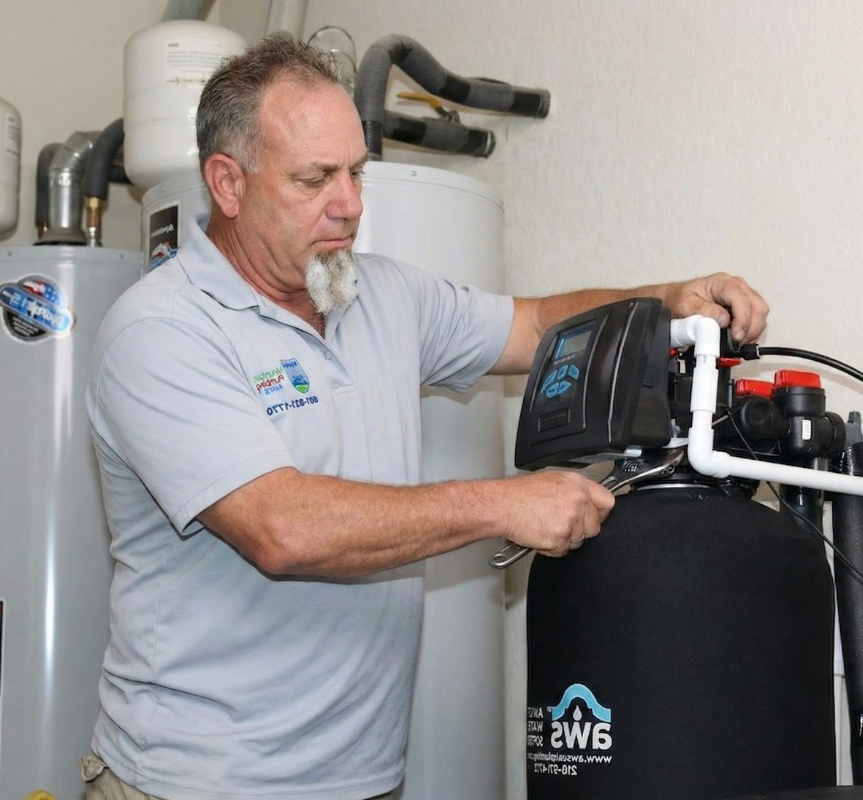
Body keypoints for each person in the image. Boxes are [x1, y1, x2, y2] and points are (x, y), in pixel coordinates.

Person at [80, 33, 769, 800]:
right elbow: (282, 527)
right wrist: (500, 501)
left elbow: (537, 327)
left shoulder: (379, 295)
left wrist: (667, 299)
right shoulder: (163, 330)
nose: (349, 205)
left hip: (361, 779)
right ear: (228, 184)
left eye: (355, 172)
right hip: (195, 782)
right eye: (314, 180)